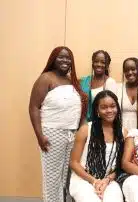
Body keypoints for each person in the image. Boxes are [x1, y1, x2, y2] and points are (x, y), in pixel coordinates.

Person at [29, 46, 87, 202]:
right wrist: (40, 136)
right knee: (52, 177)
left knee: (64, 176)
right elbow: (34, 107)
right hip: (52, 133)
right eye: (61, 57)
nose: (65, 60)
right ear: (53, 59)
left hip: (71, 134)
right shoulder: (46, 78)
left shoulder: (71, 81)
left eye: (68, 58)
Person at [69, 90, 124, 202]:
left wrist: (107, 180)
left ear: (117, 108)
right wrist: (94, 181)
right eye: (104, 107)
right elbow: (73, 162)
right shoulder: (86, 130)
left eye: (113, 106)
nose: (109, 110)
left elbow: (120, 165)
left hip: (108, 180)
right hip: (83, 179)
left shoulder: (123, 133)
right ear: (97, 111)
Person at [80, 50, 117, 122]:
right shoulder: (84, 81)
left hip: (100, 123)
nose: (99, 64)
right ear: (92, 63)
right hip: (83, 122)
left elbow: (111, 108)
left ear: (107, 66)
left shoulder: (110, 82)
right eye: (96, 61)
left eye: (103, 62)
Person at [117, 57, 138, 131]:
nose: (129, 72)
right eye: (126, 70)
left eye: (133, 69)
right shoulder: (118, 88)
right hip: (120, 131)